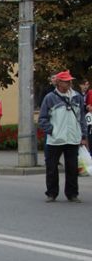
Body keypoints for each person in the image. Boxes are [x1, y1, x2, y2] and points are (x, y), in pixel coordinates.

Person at [38, 70, 88, 203]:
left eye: (70, 80)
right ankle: (52, 193)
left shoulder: (77, 97)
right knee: (52, 168)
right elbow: (42, 119)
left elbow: (81, 118)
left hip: (72, 138)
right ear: (59, 83)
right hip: (55, 140)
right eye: (66, 81)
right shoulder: (50, 98)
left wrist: (83, 135)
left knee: (72, 168)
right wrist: (52, 131)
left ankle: (72, 194)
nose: (70, 83)